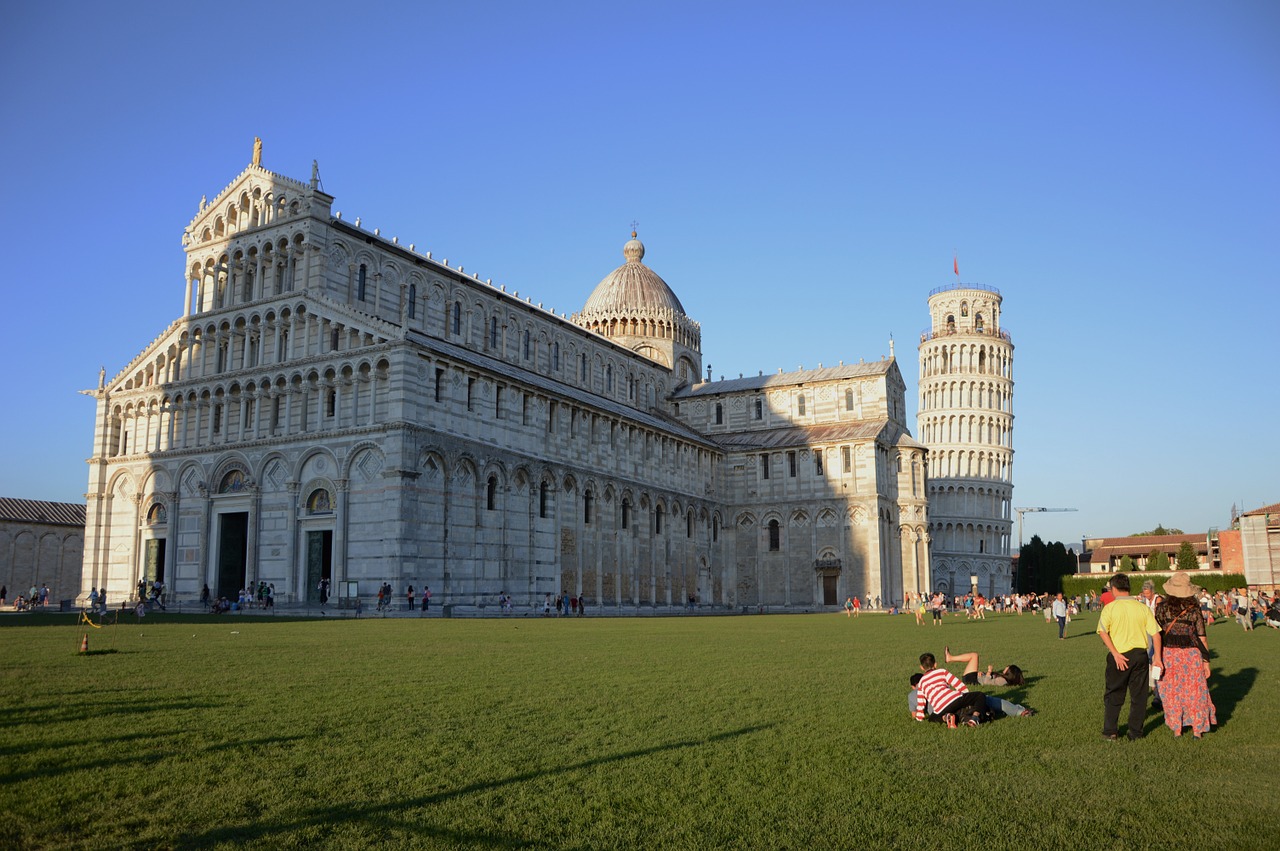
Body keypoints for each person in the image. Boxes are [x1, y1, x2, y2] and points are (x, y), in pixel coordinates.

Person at [1097, 573, 1162, 741]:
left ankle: (1111, 731)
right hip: (1140, 655)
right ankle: (1136, 733)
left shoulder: (1110, 608)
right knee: (1139, 696)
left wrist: (1115, 653)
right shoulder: (1142, 607)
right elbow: (1156, 635)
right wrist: (1158, 658)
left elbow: (1103, 632)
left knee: (1114, 694)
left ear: (1114, 589)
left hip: (1119, 655)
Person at [1154, 572, 1216, 739]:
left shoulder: (1161, 608)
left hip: (1169, 654)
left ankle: (1177, 728)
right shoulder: (1194, 609)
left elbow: (1157, 634)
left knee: (1172, 691)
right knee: (1196, 691)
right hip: (1192, 654)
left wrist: (1156, 657)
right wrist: (1206, 661)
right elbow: (1202, 637)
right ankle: (1197, 729)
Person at [912, 652, 990, 727]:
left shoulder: (921, 682)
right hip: (955, 698)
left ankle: (947, 717)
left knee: (932, 718)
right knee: (980, 695)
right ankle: (975, 718)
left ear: (921, 667)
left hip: (940, 708)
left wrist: (919, 718)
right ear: (935, 664)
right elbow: (959, 685)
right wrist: (965, 698)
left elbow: (921, 704)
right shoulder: (942, 672)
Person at [909, 673, 1034, 719]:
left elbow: (915, 715)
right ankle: (1019, 712)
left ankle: (951, 718)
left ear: (913, 686)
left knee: (964, 712)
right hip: (956, 700)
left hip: (941, 712)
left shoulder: (912, 695)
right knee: (987, 700)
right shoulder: (935, 679)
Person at [942, 646, 1025, 687]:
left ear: (1010, 672)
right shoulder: (1003, 678)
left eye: (1008, 667)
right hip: (975, 677)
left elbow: (987, 682)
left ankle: (950, 658)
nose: (1006, 666)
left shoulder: (1003, 681)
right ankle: (950, 658)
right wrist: (983, 674)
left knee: (974, 656)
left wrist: (989, 671)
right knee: (974, 656)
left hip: (972, 680)